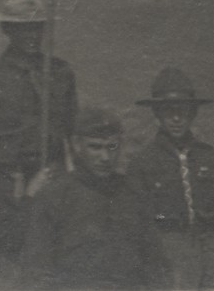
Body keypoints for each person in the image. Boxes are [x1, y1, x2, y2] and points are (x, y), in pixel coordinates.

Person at [0, 0, 75, 268]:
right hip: (7, 189)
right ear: (7, 30)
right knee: (7, 260)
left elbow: (74, 132)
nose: (33, 36)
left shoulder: (60, 74)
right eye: (24, 29)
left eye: (38, 28)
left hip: (53, 182)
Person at [17, 109, 165, 290]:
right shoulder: (54, 196)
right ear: (77, 146)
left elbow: (154, 262)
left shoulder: (133, 193)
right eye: (95, 147)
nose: (105, 157)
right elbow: (35, 271)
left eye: (112, 147)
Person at [129, 71, 214, 290]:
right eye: (169, 111)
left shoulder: (208, 156)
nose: (177, 118)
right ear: (157, 113)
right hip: (169, 250)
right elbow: (136, 222)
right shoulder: (143, 161)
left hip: (209, 247)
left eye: (183, 111)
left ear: (193, 113)